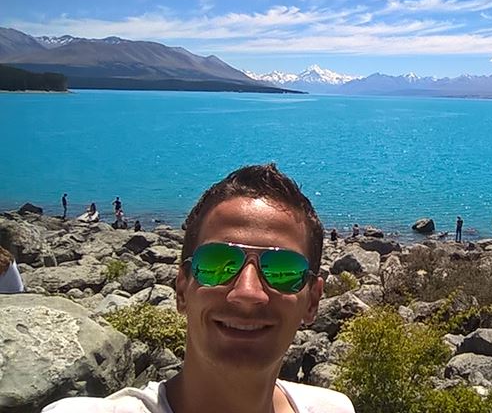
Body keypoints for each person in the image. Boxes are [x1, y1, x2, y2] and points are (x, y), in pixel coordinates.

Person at [43, 164, 354, 413]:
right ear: (181, 289)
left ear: (312, 300)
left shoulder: (332, 407)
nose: (247, 292)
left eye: (283, 270)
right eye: (218, 262)